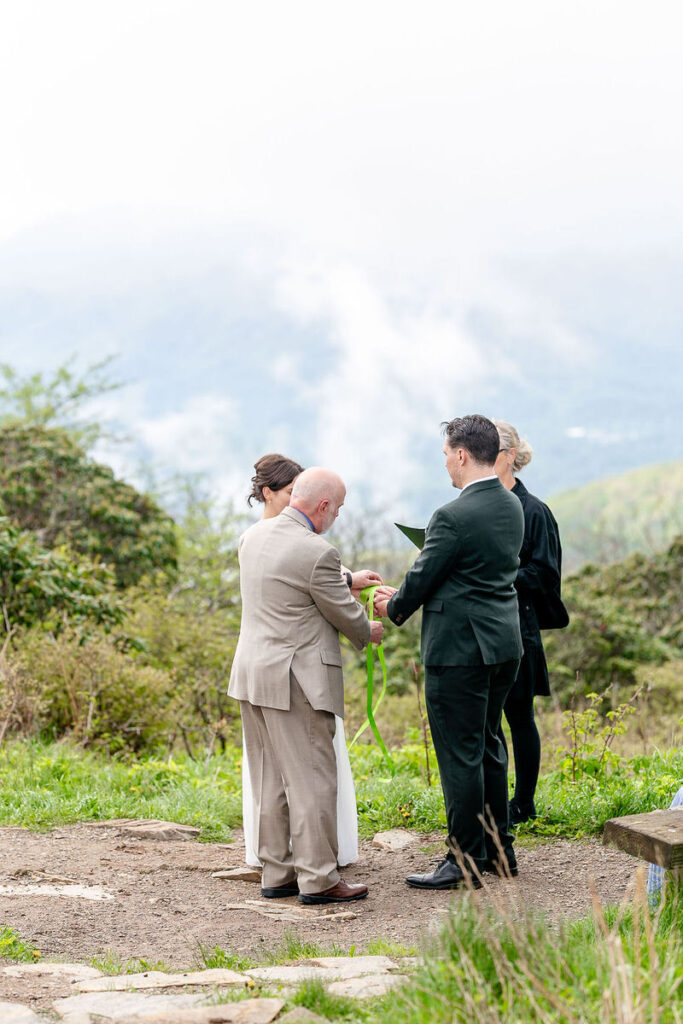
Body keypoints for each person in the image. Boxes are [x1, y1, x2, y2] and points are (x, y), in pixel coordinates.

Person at [374, 414, 524, 889]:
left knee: (460, 755)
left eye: (445, 455)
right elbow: (469, 574)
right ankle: (499, 851)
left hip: (460, 650)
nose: (445, 464)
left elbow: (425, 573)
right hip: (503, 644)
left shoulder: (452, 515)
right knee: (489, 746)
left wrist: (393, 604)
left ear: (461, 454)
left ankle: (461, 859)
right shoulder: (512, 504)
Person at [229, 467, 384, 904]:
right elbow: (341, 611)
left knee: (268, 779)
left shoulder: (253, 537)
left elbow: (293, 592)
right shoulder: (317, 551)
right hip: (296, 679)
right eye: (337, 508)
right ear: (322, 507)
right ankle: (318, 878)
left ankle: (277, 872)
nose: (336, 515)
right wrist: (368, 630)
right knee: (312, 777)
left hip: (252, 673)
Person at [493, 420, 568, 825]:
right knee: (491, 719)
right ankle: (495, 802)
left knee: (519, 716)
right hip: (483, 626)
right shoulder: (483, 506)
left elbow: (545, 576)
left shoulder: (534, 511)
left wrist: (496, 572)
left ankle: (523, 802)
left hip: (519, 627)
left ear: (506, 456)